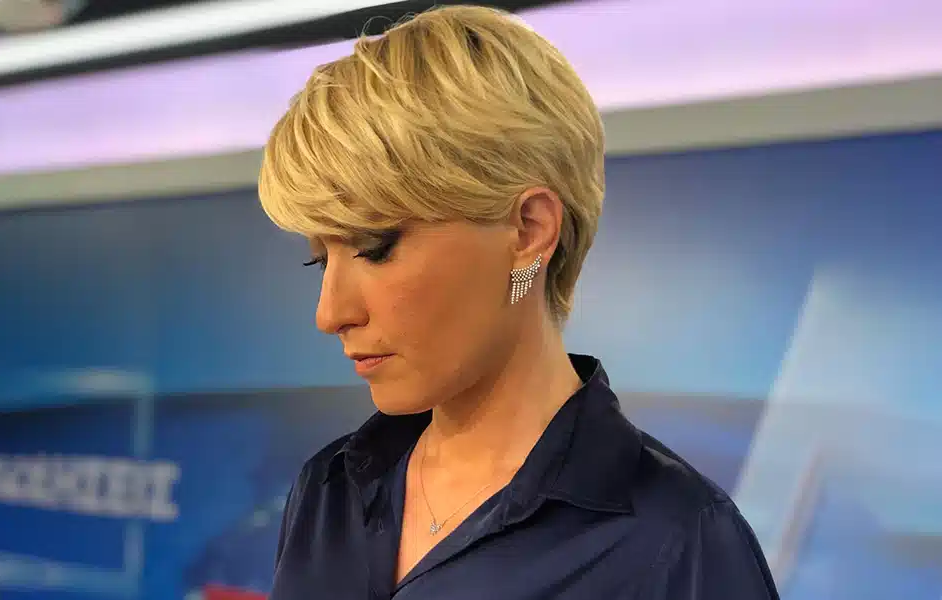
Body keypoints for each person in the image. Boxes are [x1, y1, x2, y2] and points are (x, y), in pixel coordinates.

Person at [257, 5, 780, 599]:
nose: (330, 314)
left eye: (375, 248)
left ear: (530, 230)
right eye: (320, 261)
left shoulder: (680, 543)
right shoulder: (327, 494)